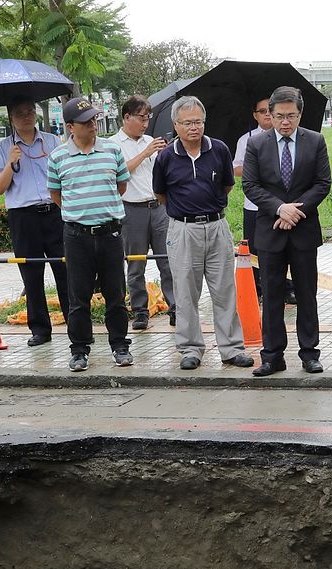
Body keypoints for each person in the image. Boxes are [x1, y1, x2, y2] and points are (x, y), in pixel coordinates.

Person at [152, 96, 255, 370]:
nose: (194, 128)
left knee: (224, 290)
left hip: (217, 226)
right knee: (185, 292)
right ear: (176, 125)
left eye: (198, 122)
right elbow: (161, 194)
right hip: (183, 229)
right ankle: (190, 348)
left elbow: (227, 186)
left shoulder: (219, 149)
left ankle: (232, 348)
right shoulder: (165, 157)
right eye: (187, 123)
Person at [242, 86, 332, 376]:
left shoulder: (315, 141)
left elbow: (322, 183)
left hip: (303, 230)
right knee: (271, 295)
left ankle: (309, 353)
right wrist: (280, 209)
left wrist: (296, 211)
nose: (285, 122)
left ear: (300, 114)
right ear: (269, 114)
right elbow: (251, 186)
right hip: (270, 230)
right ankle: (271, 355)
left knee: (306, 293)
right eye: (279, 116)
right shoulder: (256, 144)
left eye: (291, 116)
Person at [46, 97, 132, 372]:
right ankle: (79, 350)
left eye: (94, 119)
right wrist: (80, 213)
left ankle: (120, 346)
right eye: (86, 122)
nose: (93, 125)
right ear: (71, 127)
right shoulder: (58, 157)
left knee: (116, 294)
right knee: (78, 297)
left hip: (109, 233)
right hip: (76, 236)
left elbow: (120, 187)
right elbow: (56, 195)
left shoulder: (112, 150)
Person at [0, 97, 68, 346]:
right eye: (21, 113)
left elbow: (65, 174)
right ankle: (40, 330)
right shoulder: (3, 148)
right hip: (23, 216)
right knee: (31, 274)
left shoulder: (53, 141)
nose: (27, 116)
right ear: (11, 119)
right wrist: (11, 163)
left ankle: (76, 324)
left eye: (31, 111)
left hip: (54, 211)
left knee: (66, 270)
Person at [112, 95, 175, 330]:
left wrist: (165, 153)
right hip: (132, 210)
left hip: (158, 208)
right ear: (127, 117)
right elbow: (121, 172)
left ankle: (175, 307)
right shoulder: (114, 144)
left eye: (148, 118)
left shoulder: (151, 141)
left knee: (167, 261)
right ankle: (140, 311)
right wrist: (146, 153)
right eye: (141, 118)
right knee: (136, 263)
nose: (145, 123)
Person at [233, 96, 285, 301]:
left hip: (281, 204)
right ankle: (258, 288)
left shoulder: (285, 137)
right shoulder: (246, 140)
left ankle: (286, 286)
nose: (266, 115)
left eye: (268, 111)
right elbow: (236, 168)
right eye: (261, 111)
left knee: (282, 245)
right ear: (255, 115)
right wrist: (256, 169)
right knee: (255, 247)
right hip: (253, 206)